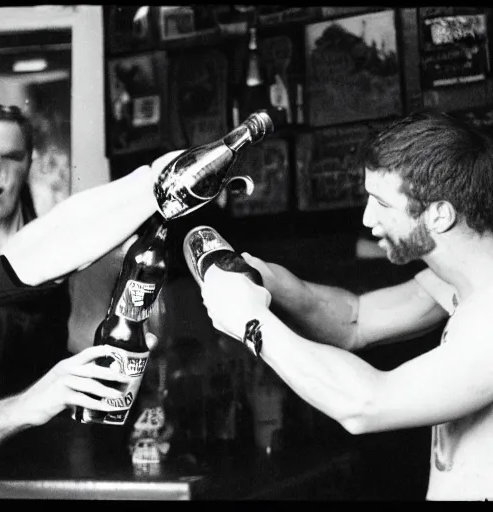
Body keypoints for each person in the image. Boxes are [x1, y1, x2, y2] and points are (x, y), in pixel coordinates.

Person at [200, 110, 493, 501]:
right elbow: (354, 320)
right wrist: (263, 276)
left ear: (439, 214)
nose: (367, 219)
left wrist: (250, 322)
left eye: (382, 204)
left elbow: (366, 404)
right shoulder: (455, 283)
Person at [0, 104, 183, 459]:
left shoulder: (73, 259)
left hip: (55, 457)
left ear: (29, 162)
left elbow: (97, 360)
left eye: (10, 157)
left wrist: (131, 385)